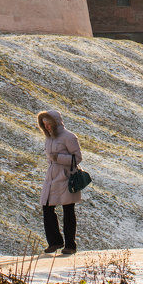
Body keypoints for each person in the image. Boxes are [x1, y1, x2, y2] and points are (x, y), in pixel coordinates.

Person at [37, 109, 83, 255]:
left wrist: (59, 158)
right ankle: (55, 241)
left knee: (68, 210)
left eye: (48, 124)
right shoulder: (49, 138)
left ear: (55, 122)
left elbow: (78, 158)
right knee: (47, 207)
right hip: (52, 177)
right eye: (44, 124)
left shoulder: (69, 137)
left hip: (66, 177)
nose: (47, 127)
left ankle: (70, 245)